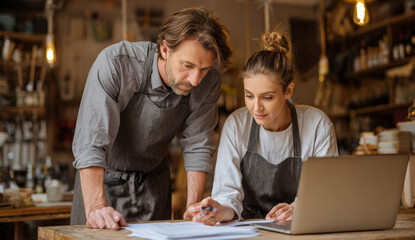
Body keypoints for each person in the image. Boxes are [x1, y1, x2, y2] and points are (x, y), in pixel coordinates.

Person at [70, 7, 232, 230]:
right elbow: (91, 143)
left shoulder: (209, 81)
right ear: (165, 49)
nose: (195, 80)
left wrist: (194, 208)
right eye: (188, 66)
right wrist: (97, 206)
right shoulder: (117, 63)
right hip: (101, 185)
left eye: (203, 69)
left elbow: (197, 143)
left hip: (154, 188)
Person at [185, 30, 338, 225]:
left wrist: (297, 208)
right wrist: (218, 210)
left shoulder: (317, 125)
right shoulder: (236, 126)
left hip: (301, 229)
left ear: (288, 90)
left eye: (267, 97)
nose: (256, 108)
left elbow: (325, 192)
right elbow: (227, 195)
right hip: (249, 231)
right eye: (249, 95)